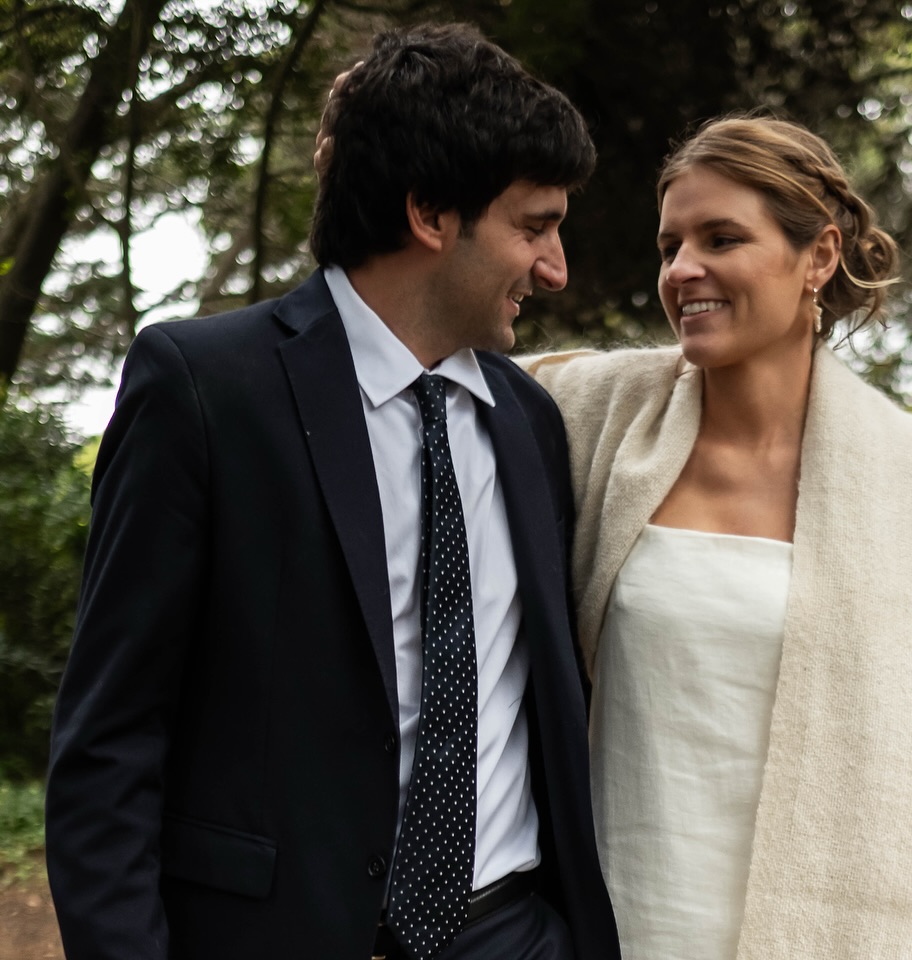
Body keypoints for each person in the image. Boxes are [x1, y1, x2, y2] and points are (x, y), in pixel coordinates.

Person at [45, 24, 620, 960]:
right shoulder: (203, 387)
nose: (555, 267)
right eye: (534, 226)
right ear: (432, 214)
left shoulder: (530, 422)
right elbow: (109, 742)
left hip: (514, 936)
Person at [526, 117, 912, 960]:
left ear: (819, 256)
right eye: (670, 246)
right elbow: (430, 379)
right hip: (627, 920)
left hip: (843, 926)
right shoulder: (591, 420)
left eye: (721, 237)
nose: (682, 269)